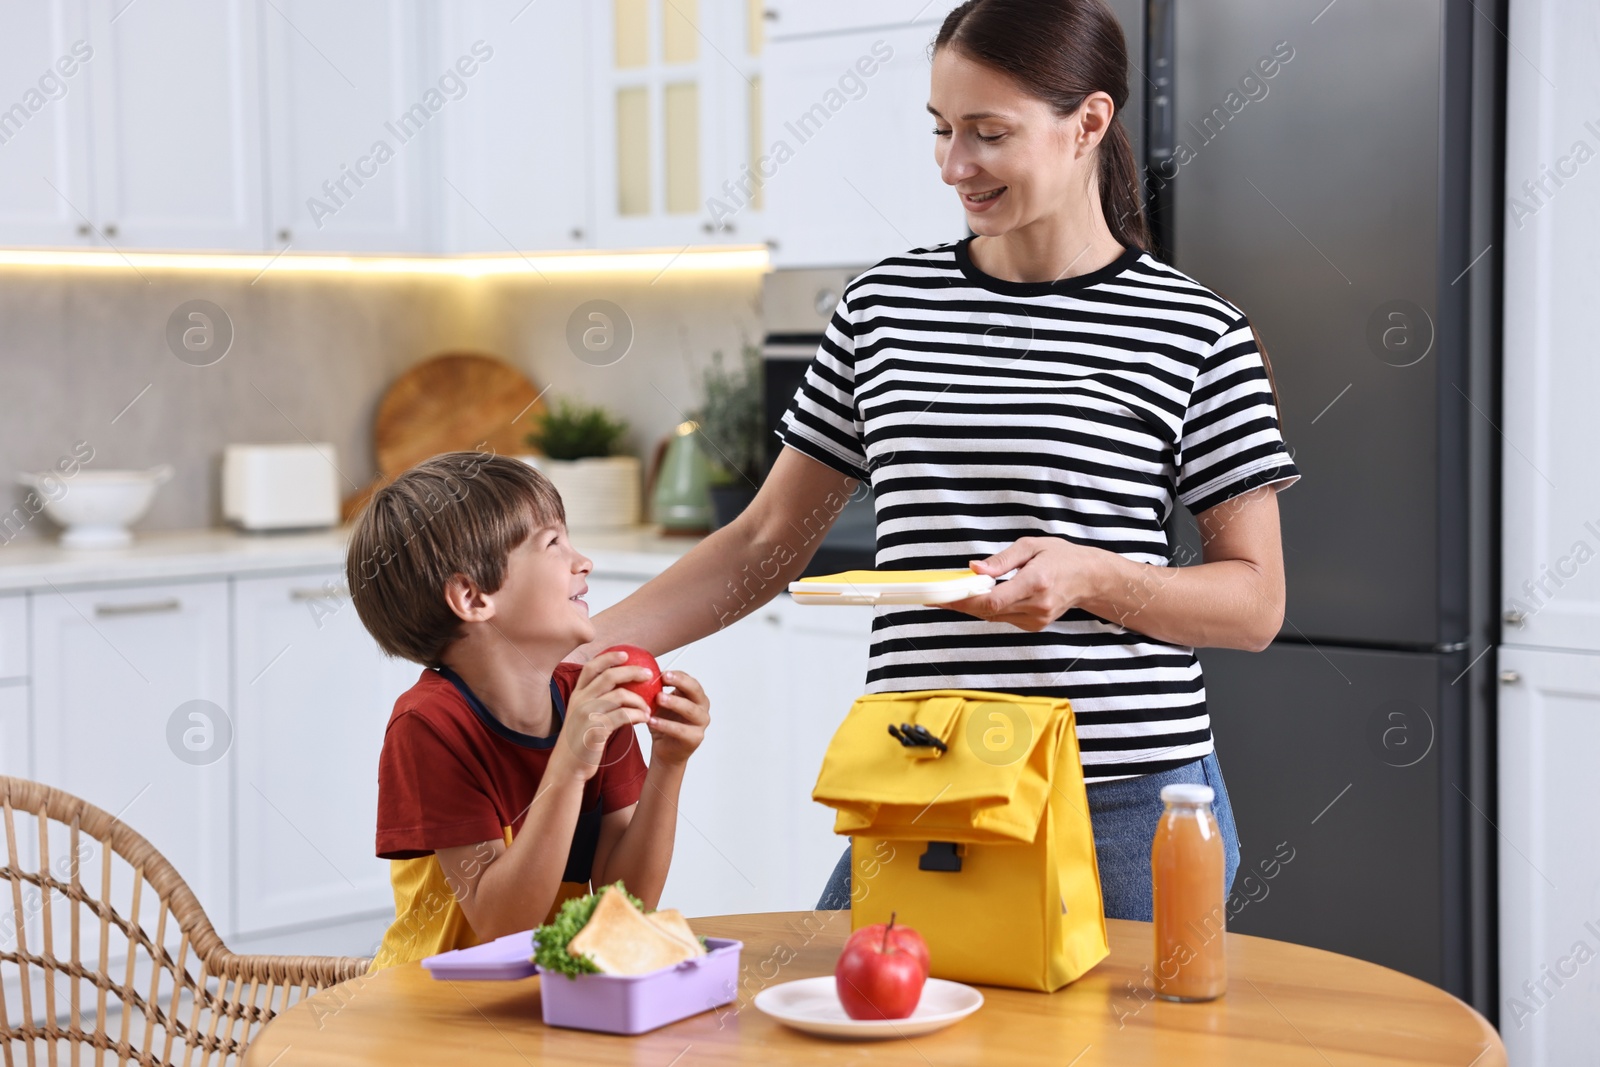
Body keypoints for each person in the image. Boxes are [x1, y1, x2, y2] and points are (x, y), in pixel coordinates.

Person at [571, 0, 1298, 921]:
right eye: (943, 129)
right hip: (923, 780)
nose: (956, 165)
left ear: (1090, 122)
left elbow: (1255, 603)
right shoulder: (883, 311)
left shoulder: (1196, 329)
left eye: (989, 133)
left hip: (1119, 800)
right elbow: (763, 537)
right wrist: (581, 649)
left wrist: (1089, 577)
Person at [347, 453, 712, 968]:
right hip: (436, 1012)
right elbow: (502, 925)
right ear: (472, 598)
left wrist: (670, 764)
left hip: (543, 996)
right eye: (552, 544)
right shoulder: (429, 727)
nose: (583, 561)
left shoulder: (590, 702)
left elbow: (624, 901)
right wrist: (570, 762)